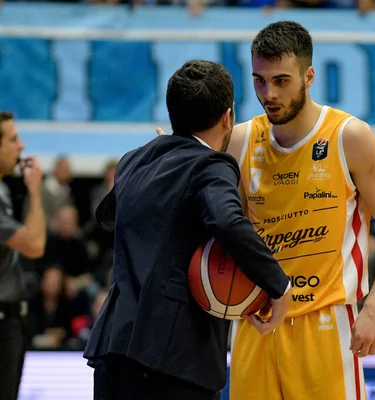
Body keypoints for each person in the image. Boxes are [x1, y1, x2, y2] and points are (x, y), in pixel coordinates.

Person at [83, 60, 292, 400]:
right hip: (172, 358)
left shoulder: (135, 160)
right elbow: (226, 220)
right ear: (228, 116)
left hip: (113, 350)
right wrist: (278, 285)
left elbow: (106, 215)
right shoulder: (211, 164)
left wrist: (157, 162)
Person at [228, 21, 375, 400]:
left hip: (325, 324)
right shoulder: (241, 141)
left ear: (309, 76)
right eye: (259, 80)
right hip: (255, 323)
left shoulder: (350, 137)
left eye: (282, 80)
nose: (269, 93)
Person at [0, 111, 46, 400]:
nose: (21, 146)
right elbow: (34, 245)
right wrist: (35, 191)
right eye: (13, 139)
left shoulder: (3, 189)